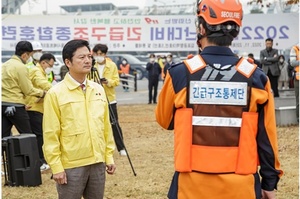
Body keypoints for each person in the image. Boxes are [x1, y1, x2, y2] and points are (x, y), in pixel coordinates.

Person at [155, 0, 283, 198]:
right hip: (242, 186)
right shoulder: (256, 78)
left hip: (189, 187)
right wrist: (269, 182)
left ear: (201, 28)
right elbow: (267, 138)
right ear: (235, 31)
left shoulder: (180, 74)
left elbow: (165, 121)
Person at [42, 39, 116, 199]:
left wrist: (108, 156)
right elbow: (50, 134)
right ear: (68, 62)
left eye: (89, 56)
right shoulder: (55, 93)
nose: (88, 60)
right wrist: (56, 166)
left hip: (97, 161)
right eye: (81, 57)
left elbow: (105, 126)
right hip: (71, 165)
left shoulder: (98, 89)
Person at [2, 41, 46, 138]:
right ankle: (30, 154)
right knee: (28, 136)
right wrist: (43, 93)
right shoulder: (21, 67)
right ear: (25, 55)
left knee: (3, 137)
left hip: (3, 104)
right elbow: (28, 90)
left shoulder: (4, 65)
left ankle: (5, 153)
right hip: (16, 105)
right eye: (30, 55)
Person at [89, 43, 127, 156]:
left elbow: (116, 81)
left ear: (105, 54)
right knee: (97, 124)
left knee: (114, 124)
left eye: (100, 54)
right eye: (96, 54)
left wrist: (108, 82)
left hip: (110, 98)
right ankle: (100, 147)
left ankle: (121, 148)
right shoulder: (91, 66)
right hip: (95, 98)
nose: (98, 56)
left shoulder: (112, 65)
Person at [25, 53, 56, 171]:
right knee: (39, 136)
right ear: (43, 63)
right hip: (33, 108)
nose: (51, 68)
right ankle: (39, 161)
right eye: (50, 65)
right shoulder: (36, 71)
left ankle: (41, 160)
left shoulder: (42, 72)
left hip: (38, 107)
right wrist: (54, 89)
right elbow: (42, 83)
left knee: (40, 135)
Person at [289, 44, 299, 123]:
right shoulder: (295, 48)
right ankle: (299, 119)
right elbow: (292, 63)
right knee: (299, 100)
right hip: (298, 79)